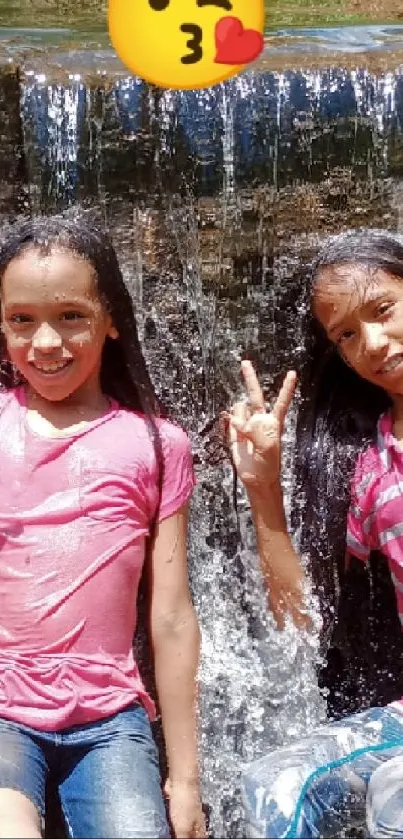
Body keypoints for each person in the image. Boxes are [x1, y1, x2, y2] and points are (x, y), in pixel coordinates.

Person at [0, 213, 205, 839]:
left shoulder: (156, 443)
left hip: (110, 718)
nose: (45, 342)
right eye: (21, 320)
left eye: (71, 316)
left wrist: (186, 779)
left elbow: (170, 616)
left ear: (111, 319)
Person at [227, 228, 403, 838]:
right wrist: (264, 487)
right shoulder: (372, 470)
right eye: (346, 335)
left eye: (383, 310)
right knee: (275, 787)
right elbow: (306, 615)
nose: (373, 345)